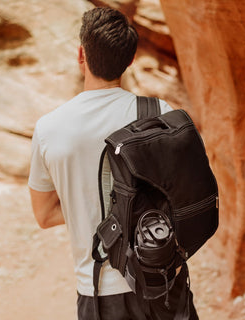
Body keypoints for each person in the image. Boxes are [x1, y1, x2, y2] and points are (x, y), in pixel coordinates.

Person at [28, 7, 198, 320]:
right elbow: (183, 195)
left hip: (98, 296)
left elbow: (44, 214)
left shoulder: (48, 129)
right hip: (161, 282)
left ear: (81, 56)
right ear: (130, 60)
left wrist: (88, 206)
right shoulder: (159, 112)